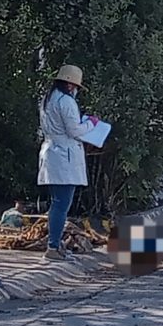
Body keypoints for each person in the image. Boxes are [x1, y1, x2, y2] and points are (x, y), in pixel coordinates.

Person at [38, 65, 99, 261]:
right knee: (62, 203)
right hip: (64, 155)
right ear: (71, 84)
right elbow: (74, 131)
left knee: (57, 202)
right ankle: (53, 247)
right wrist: (91, 124)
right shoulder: (66, 101)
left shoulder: (48, 99)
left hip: (52, 152)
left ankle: (55, 245)